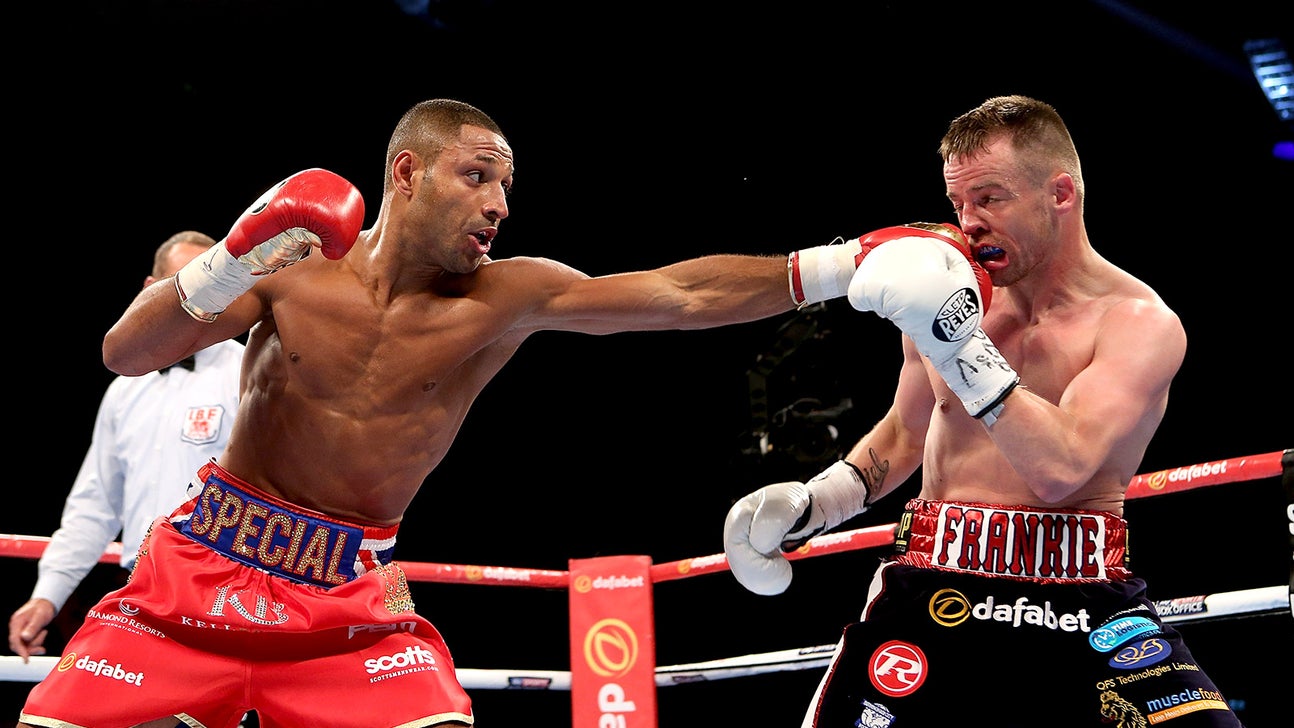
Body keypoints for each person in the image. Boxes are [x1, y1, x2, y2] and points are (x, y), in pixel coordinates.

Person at [16, 98, 880, 728]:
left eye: (507, 186)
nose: (499, 204)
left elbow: (679, 294)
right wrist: (232, 259)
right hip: (196, 572)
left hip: (348, 594)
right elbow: (124, 354)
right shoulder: (295, 266)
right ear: (407, 172)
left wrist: (845, 265)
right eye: (478, 176)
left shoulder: (507, 296)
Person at [724, 95, 1245, 727]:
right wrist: (820, 502)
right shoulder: (951, 294)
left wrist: (959, 342)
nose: (968, 223)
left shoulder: (1137, 324)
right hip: (932, 586)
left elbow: (1062, 467)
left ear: (1060, 194)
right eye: (958, 204)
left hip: (1084, 595)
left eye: (989, 199)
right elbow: (907, 431)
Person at [8, 231, 244, 665]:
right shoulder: (124, 389)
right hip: (140, 588)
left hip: (224, 589)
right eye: (185, 282)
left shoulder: (247, 373)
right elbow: (94, 506)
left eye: (211, 280)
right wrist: (47, 596)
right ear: (151, 291)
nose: (200, 296)